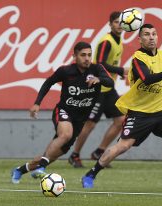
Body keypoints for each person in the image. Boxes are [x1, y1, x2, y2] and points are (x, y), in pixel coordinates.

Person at [81, 24, 162, 188]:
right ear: (139, 39)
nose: (151, 37)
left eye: (154, 34)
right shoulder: (138, 58)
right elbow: (147, 78)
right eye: (146, 34)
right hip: (139, 113)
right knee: (123, 146)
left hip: (158, 110)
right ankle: (91, 174)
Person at [11, 41, 114, 184]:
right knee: (66, 134)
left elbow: (110, 82)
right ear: (74, 56)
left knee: (53, 154)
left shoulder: (97, 69)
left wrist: (99, 79)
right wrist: (37, 103)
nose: (87, 58)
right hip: (64, 111)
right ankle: (41, 167)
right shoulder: (65, 71)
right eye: (83, 55)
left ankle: (20, 170)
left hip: (80, 120)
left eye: (89, 55)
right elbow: (48, 82)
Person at [68, 11, 127, 168]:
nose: (119, 25)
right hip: (98, 89)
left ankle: (99, 152)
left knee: (121, 120)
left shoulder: (118, 40)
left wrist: (117, 73)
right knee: (90, 124)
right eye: (116, 22)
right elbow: (100, 63)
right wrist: (121, 70)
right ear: (110, 24)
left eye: (121, 22)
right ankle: (74, 155)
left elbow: (109, 64)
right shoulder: (106, 41)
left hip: (108, 88)